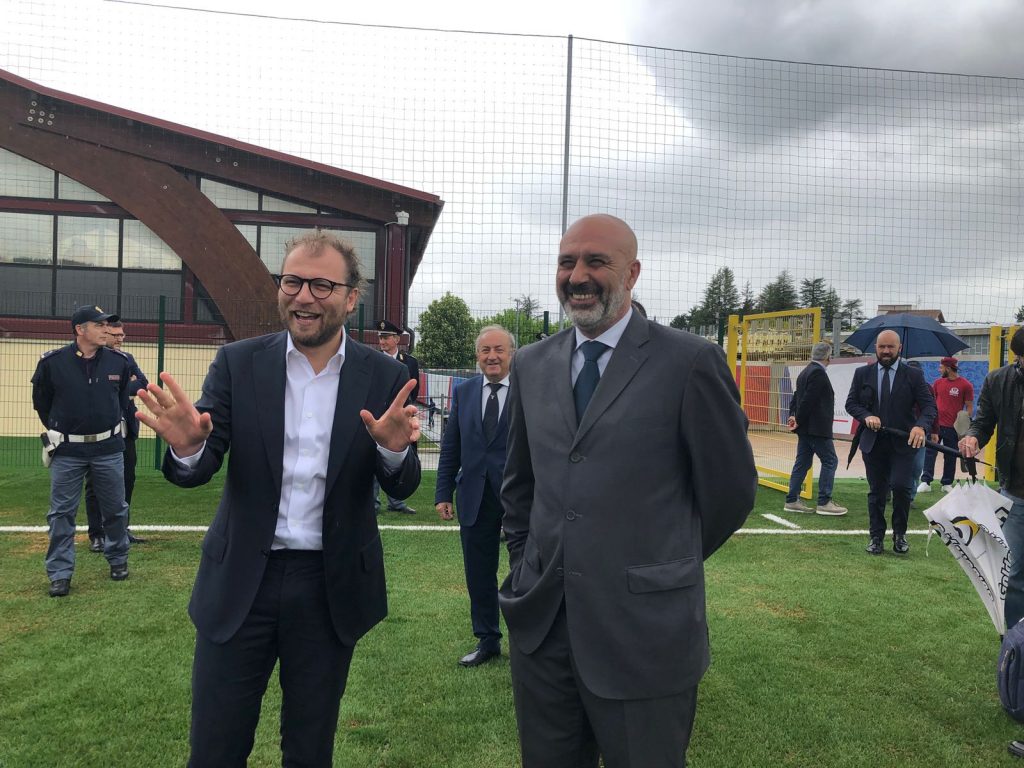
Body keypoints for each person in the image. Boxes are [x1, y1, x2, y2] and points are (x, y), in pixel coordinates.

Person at [135, 231, 421, 767]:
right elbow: (201, 463)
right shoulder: (238, 363)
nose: (303, 296)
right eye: (292, 281)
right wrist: (190, 448)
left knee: (310, 751)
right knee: (215, 748)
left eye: (321, 285)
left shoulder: (384, 374)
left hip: (329, 587)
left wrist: (392, 451)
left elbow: (402, 485)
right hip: (241, 580)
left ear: (351, 298)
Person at [499, 214, 757, 767]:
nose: (578, 276)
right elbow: (519, 485)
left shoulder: (690, 362)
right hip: (543, 630)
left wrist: (661, 565)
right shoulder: (531, 364)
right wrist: (524, 564)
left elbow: (731, 492)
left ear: (632, 272)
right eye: (567, 262)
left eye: (597, 261)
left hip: (646, 636)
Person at [31, 306, 133, 597]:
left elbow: (121, 400)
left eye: (106, 325)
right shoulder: (52, 363)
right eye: (99, 325)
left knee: (115, 509)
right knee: (61, 514)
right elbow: (42, 403)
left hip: (108, 448)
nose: (106, 330)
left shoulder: (119, 362)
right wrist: (65, 430)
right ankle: (60, 573)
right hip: (67, 451)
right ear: (80, 330)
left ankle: (118, 559)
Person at [435, 325, 514, 668]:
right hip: (474, 496)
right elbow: (451, 446)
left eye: (499, 349)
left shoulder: (528, 390)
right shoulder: (464, 392)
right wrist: (443, 492)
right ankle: (487, 640)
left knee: (525, 573)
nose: (492, 356)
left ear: (511, 354)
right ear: (477, 356)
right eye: (485, 350)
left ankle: (528, 642)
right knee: (479, 573)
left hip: (518, 497)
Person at [845, 330, 936, 555]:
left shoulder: (913, 375)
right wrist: (866, 416)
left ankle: (900, 534)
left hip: (903, 444)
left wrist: (920, 426)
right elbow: (851, 404)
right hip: (873, 443)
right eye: (882, 347)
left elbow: (929, 407)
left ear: (899, 348)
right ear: (876, 348)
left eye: (890, 347)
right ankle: (876, 537)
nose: (886, 351)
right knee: (877, 492)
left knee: (902, 488)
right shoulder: (862, 373)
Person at [960, 327, 1024, 627]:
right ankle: (1014, 639)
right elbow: (983, 421)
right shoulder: (998, 380)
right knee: (1013, 573)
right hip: (1016, 493)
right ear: (1018, 356)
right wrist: (973, 436)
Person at [84, 320, 149, 550]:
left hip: (125, 431)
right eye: (116, 335)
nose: (121, 338)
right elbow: (95, 389)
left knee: (127, 479)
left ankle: (122, 528)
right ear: (104, 334)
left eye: (123, 334)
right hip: (99, 432)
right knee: (95, 483)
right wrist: (122, 387)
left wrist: (117, 387)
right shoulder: (91, 359)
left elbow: (143, 384)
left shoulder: (126, 359)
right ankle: (97, 534)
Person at [783, 342, 847, 516]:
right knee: (830, 461)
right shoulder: (818, 373)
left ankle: (792, 500)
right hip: (817, 428)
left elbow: (797, 396)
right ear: (828, 357)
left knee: (802, 462)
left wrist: (793, 415)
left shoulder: (805, 371)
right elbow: (808, 400)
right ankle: (824, 502)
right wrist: (798, 418)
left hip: (806, 428)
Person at [373, 318, 420, 514]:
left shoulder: (410, 362)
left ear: (396, 339)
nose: (382, 341)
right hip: (379, 417)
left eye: (386, 337)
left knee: (398, 456)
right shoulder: (373, 360)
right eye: (380, 337)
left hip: (400, 419)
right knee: (374, 457)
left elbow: (414, 391)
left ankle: (396, 502)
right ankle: (374, 502)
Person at [918, 356, 974, 494]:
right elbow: (932, 402)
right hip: (935, 426)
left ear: (948, 368)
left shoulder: (966, 385)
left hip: (953, 427)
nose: (939, 369)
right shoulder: (937, 383)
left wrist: (964, 422)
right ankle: (926, 482)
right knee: (930, 453)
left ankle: (947, 483)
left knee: (950, 455)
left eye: (941, 367)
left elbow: (969, 407)